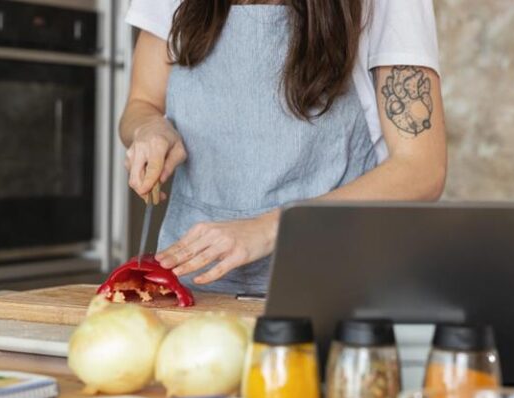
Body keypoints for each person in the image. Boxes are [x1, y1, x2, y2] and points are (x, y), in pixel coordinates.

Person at [119, 0, 447, 294]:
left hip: (331, 289)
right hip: (190, 292)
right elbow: (142, 102)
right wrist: (149, 128)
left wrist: (272, 228)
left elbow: (420, 168)